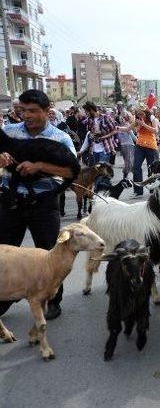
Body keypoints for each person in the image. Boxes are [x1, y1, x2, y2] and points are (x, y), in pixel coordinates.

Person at [0, 90, 78, 320]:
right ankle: (4, 298)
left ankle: (53, 299)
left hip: (43, 205)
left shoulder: (60, 138)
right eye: (23, 111)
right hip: (10, 202)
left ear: (47, 111)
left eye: (33, 111)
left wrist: (39, 166)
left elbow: (70, 171)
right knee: (4, 252)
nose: (27, 115)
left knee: (50, 252)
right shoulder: (9, 132)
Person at [132, 109, 159, 197]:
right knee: (136, 167)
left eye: (141, 114)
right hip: (139, 146)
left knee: (151, 169)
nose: (140, 115)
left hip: (151, 147)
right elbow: (134, 130)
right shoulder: (138, 120)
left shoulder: (153, 119)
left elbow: (155, 130)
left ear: (145, 113)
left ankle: (152, 189)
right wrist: (118, 128)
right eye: (138, 114)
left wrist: (144, 124)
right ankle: (138, 191)